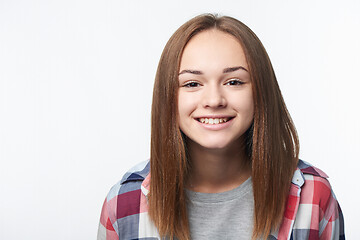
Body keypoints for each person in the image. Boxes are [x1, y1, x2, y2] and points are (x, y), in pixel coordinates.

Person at [97, 14, 345, 240]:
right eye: (192, 84)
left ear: (260, 91)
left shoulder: (313, 195)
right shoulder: (123, 202)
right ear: (168, 97)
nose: (214, 100)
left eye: (234, 81)